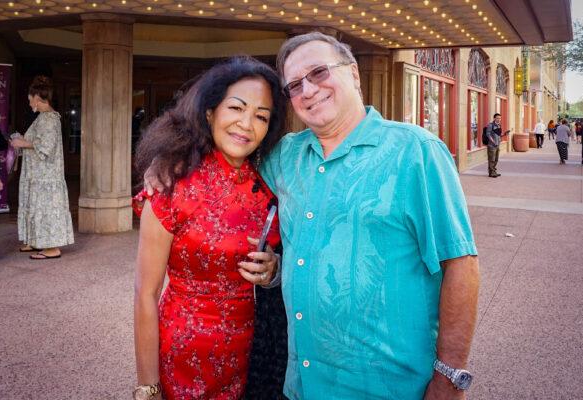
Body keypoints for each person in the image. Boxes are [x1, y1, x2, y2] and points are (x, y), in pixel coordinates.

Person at [146, 32, 480, 400]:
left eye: (319, 72)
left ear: (354, 74)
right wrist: (168, 161)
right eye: (294, 85)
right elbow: (228, 150)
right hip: (301, 386)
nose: (308, 89)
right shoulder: (284, 157)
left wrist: (449, 378)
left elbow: (461, 265)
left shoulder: (415, 151)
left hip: (389, 387)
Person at [133, 56, 287, 400]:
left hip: (253, 357)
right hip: (183, 356)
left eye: (261, 116)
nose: (247, 124)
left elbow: (290, 255)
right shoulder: (170, 184)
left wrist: (274, 268)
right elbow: (145, 294)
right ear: (209, 112)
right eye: (236, 108)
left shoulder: (269, 189)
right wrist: (147, 387)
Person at [9, 76, 74, 259]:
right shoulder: (45, 118)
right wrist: (24, 141)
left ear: (37, 99)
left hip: (46, 176)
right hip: (40, 175)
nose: (30, 104)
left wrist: (22, 143)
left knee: (45, 209)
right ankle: (38, 242)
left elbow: (45, 147)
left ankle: (52, 248)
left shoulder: (49, 119)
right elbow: (39, 143)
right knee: (38, 208)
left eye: (31, 101)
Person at [486, 113, 508, 178]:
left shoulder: (499, 125)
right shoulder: (490, 125)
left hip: (497, 145)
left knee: (496, 159)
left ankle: (494, 171)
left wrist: (504, 134)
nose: (499, 119)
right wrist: (493, 141)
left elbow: (498, 135)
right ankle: (491, 173)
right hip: (492, 145)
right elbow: (488, 134)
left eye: (500, 118)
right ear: (494, 118)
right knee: (491, 159)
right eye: (497, 118)